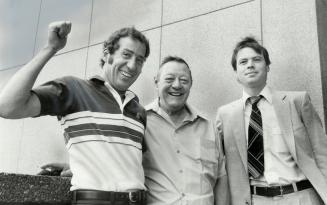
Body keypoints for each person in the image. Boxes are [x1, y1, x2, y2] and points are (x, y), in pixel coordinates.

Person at [0, 21, 150, 205]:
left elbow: (130, 164)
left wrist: (80, 166)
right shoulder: (74, 89)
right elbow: (7, 106)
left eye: (140, 60)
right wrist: (50, 48)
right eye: (126, 55)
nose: (133, 65)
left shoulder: (139, 111)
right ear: (107, 54)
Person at [216, 37, 327, 205]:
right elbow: (219, 167)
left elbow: (322, 154)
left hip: (301, 197)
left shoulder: (297, 101)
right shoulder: (225, 115)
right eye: (243, 62)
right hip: (255, 200)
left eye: (257, 59)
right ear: (236, 73)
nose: (250, 65)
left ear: (267, 67)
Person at [143, 56, 229, 205]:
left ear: (191, 85)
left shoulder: (209, 126)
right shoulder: (140, 122)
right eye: (169, 79)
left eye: (183, 80)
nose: (177, 85)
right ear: (156, 82)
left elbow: (221, 178)